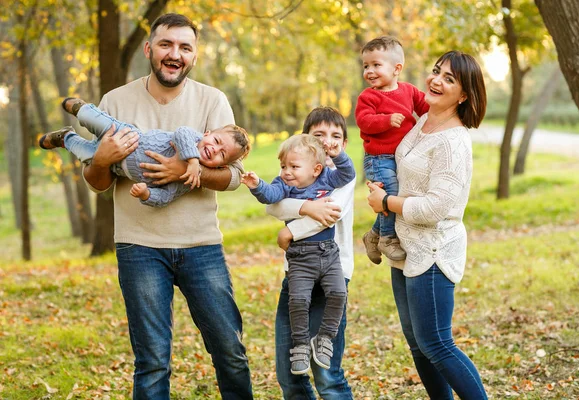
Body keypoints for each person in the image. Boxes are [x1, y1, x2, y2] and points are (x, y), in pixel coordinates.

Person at [81, 13, 253, 399]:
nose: (174, 54)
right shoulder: (115, 101)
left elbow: (234, 176)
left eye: (184, 47)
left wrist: (181, 170)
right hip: (139, 247)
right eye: (166, 45)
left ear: (193, 56)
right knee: (153, 361)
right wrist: (102, 159)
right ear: (149, 49)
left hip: (201, 246)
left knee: (230, 352)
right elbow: (97, 183)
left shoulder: (212, 100)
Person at [367, 50, 488, 399]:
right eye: (437, 72)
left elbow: (438, 206)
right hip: (405, 247)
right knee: (419, 345)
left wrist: (387, 202)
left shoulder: (453, 141)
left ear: (463, 95)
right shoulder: (422, 121)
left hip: (433, 251)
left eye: (449, 79)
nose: (436, 80)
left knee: (437, 343)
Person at [241, 133, 355, 376]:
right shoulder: (283, 185)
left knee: (338, 293)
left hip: (329, 254)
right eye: (283, 166)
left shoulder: (326, 178)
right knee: (298, 301)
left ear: (315, 169)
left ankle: (324, 337)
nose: (286, 171)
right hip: (300, 257)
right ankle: (301, 344)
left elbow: (347, 174)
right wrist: (257, 185)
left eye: (293, 166)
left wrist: (338, 155)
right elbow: (270, 197)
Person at [266, 107, 355, 399]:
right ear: (306, 143)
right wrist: (306, 207)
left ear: (344, 144)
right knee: (289, 371)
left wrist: (291, 230)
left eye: (336, 136)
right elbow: (273, 206)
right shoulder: (293, 173)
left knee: (327, 376)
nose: (328, 142)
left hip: (333, 274)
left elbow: (331, 213)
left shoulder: (341, 177)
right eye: (319, 136)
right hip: (298, 275)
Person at [39, 98, 250, 207]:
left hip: (116, 166)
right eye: (216, 141)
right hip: (124, 135)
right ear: (207, 133)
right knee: (95, 121)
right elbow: (181, 133)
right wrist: (192, 161)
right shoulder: (193, 139)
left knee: (83, 151)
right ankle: (81, 109)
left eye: (222, 154)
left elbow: (166, 197)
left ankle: (66, 138)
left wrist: (146, 194)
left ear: (222, 166)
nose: (214, 149)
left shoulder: (188, 182)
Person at [356, 36, 429, 265]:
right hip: (380, 159)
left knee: (399, 195)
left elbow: (427, 108)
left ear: (397, 68)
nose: (369, 71)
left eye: (376, 65)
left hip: (403, 157)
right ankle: (387, 238)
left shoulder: (408, 91)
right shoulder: (368, 96)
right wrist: (387, 120)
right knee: (391, 197)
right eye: (366, 66)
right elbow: (364, 121)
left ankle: (373, 235)